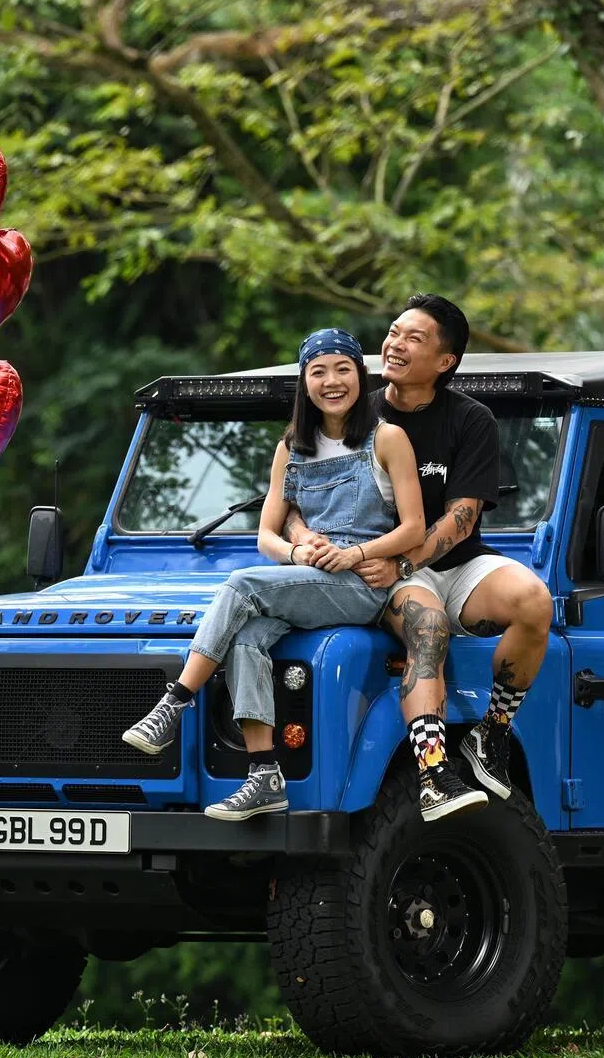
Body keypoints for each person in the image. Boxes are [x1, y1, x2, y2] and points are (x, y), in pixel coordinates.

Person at [120, 328, 456, 821]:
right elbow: (266, 536)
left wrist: (355, 552)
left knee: (240, 584)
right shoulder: (291, 448)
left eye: (343, 369)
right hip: (310, 577)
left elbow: (413, 527)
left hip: (361, 585)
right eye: (318, 371)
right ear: (305, 383)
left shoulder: (387, 438)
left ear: (360, 377)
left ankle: (176, 700)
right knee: (245, 640)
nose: (332, 381)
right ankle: (264, 774)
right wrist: (299, 554)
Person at [286, 295, 554, 822]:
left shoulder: (470, 419)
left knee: (535, 601)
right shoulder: (355, 410)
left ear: (445, 361)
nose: (394, 344)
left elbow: (463, 519)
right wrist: (306, 541)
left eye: (414, 338)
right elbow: (292, 498)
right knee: (427, 628)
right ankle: (434, 772)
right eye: (392, 332)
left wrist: (405, 564)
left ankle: (492, 735)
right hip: (374, 567)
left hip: (445, 560)